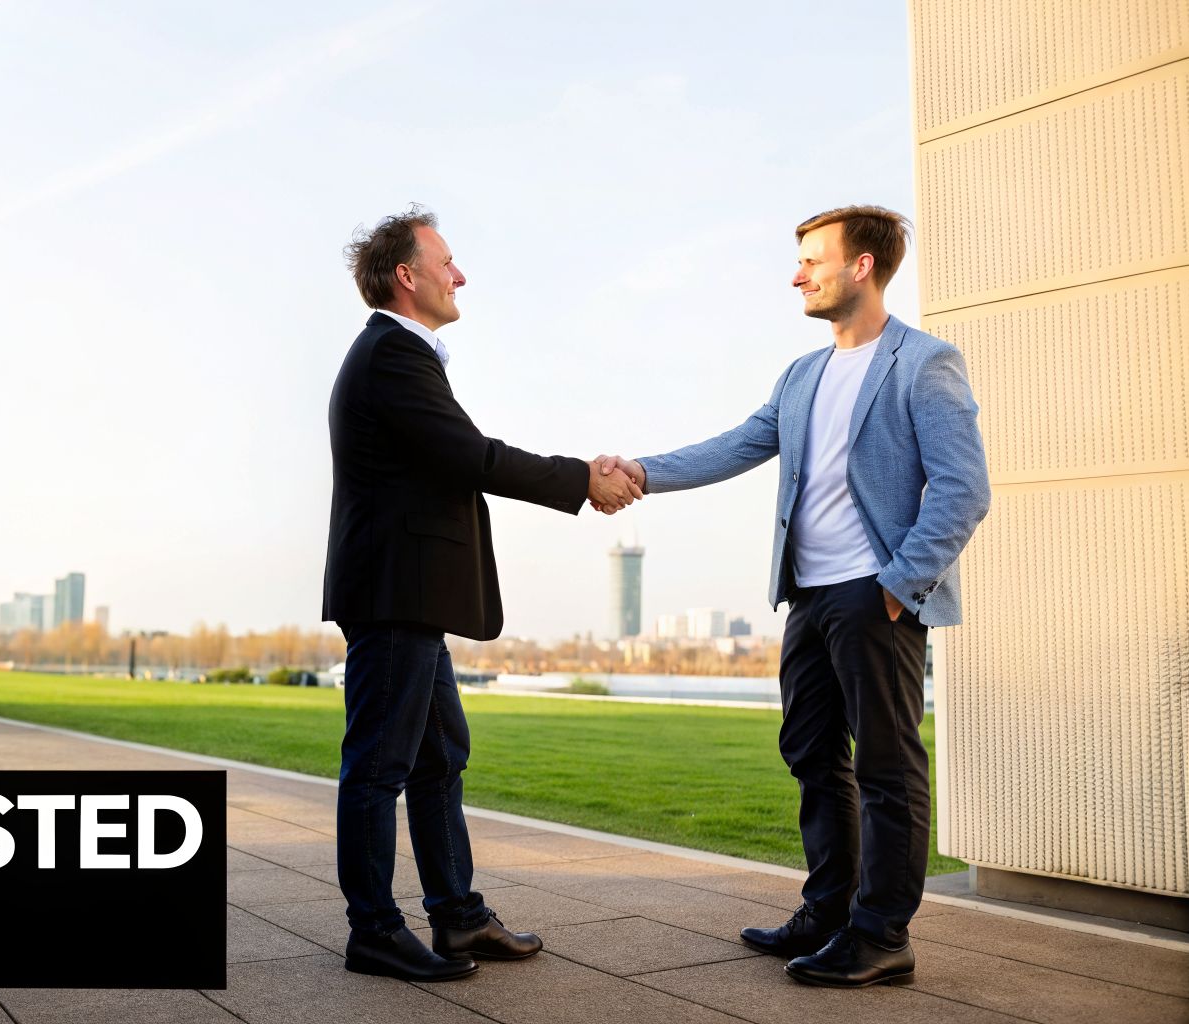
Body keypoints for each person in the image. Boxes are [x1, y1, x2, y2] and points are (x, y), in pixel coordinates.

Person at [595, 205, 989, 988]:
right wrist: (639, 471)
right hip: (808, 595)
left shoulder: (923, 363)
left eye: (813, 259)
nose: (797, 275)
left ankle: (882, 935)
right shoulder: (803, 374)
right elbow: (737, 444)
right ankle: (828, 912)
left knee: (886, 768)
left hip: (874, 595)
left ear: (862, 266)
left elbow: (963, 488)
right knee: (811, 752)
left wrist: (897, 586)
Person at [323, 206, 641, 982]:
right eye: (447, 262)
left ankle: (459, 919)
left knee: (438, 759)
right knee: (378, 767)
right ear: (407, 276)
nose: (459, 275)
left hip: (411, 598)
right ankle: (374, 931)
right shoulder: (393, 355)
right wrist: (582, 479)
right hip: (394, 595)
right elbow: (473, 457)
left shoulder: (403, 356)